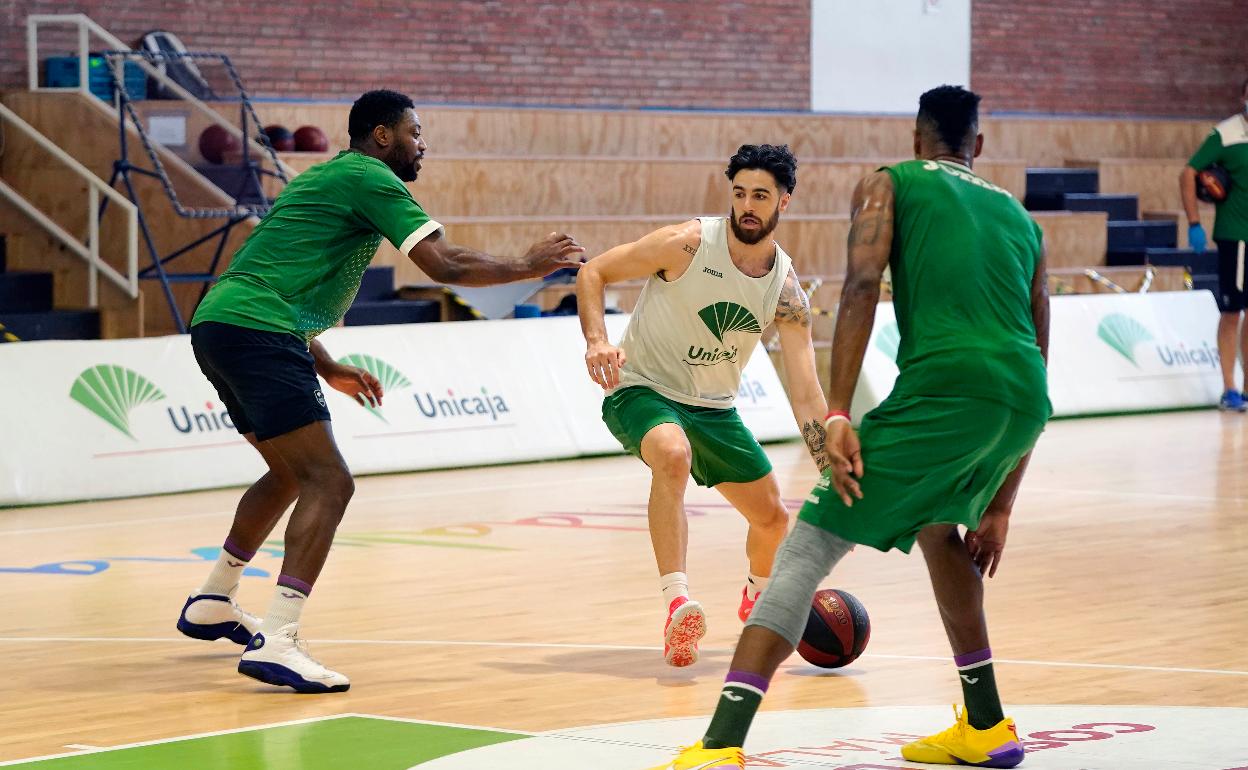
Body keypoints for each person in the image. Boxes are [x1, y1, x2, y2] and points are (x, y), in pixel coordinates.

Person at [648, 85, 1049, 769]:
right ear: (977, 147)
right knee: (938, 530)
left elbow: (862, 284)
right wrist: (1003, 504)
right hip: (1020, 401)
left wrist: (838, 412)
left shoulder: (888, 183)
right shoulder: (1021, 218)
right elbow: (1039, 350)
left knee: (804, 551)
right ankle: (986, 726)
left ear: (917, 140)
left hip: (945, 390)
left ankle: (719, 746)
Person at [177, 89, 584, 693]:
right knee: (329, 481)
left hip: (221, 324)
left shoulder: (331, 178)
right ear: (383, 135)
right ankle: (280, 640)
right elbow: (443, 266)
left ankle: (216, 596)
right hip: (257, 332)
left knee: (291, 474)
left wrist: (327, 364)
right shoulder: (370, 177)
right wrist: (528, 265)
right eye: (415, 132)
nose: (424, 144)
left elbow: (269, 282)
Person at [577, 144, 830, 668]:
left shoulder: (785, 288)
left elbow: (805, 391)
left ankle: (757, 604)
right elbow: (593, 272)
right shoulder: (688, 244)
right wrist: (597, 340)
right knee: (672, 454)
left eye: (761, 195)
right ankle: (676, 604)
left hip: (713, 408)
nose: (747, 206)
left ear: (785, 201)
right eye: (739, 193)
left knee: (772, 519)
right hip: (641, 387)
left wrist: (830, 464)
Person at [1181, 77, 1248, 411]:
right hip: (1236, 236)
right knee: (1233, 312)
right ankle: (1229, 389)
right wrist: (1194, 222)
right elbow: (1188, 172)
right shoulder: (1225, 134)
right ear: (1243, 96)